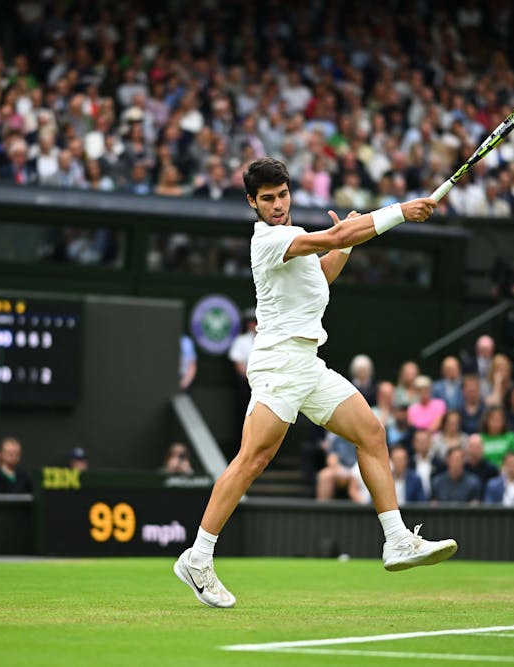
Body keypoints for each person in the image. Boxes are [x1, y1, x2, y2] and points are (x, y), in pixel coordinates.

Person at [175, 157, 454, 609]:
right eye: (267, 199)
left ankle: (397, 539)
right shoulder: (270, 240)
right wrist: (400, 212)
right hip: (280, 364)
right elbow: (340, 235)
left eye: (282, 195)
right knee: (252, 459)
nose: (278, 204)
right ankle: (198, 557)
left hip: (308, 364)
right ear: (253, 203)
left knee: (371, 433)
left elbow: (322, 275)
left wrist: (344, 244)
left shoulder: (295, 240)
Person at [350, 447, 426, 505]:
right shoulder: (383, 478)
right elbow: (373, 501)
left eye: (401, 460)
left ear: (406, 461)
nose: (398, 463)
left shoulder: (415, 479)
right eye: (396, 459)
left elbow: (421, 502)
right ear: (391, 460)